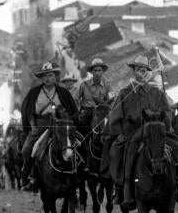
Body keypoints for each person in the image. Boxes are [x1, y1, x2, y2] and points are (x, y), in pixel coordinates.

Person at [99, 55, 178, 213]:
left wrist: (164, 121)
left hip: (156, 132)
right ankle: (124, 189)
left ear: (147, 72)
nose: (141, 73)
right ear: (134, 72)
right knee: (120, 152)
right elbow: (116, 115)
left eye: (144, 70)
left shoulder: (156, 92)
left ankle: (174, 188)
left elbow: (167, 112)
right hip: (133, 134)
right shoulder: (125, 93)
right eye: (138, 70)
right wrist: (120, 133)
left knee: (175, 146)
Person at [20, 62, 79, 192]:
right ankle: (30, 177)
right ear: (41, 77)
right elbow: (28, 111)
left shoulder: (63, 92)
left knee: (80, 145)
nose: (48, 78)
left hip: (60, 124)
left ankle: (80, 174)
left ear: (55, 77)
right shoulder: (34, 92)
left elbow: (72, 111)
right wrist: (33, 126)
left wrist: (67, 121)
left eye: (51, 75)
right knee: (27, 149)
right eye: (45, 76)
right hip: (40, 124)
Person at [77, 58, 115, 136]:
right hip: (87, 112)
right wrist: (78, 111)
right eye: (95, 70)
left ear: (102, 71)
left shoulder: (107, 85)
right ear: (92, 72)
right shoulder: (84, 85)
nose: (97, 73)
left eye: (99, 70)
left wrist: (110, 110)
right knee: (80, 127)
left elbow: (112, 99)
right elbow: (75, 99)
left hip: (101, 111)